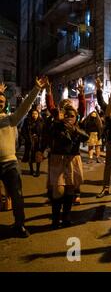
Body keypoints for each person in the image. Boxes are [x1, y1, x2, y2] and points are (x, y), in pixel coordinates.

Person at [0, 77, 48, 237]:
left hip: (10, 164)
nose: (0, 102)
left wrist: (36, 89)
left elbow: (25, 107)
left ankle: (19, 225)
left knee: (17, 196)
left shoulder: (10, 119)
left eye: (2, 101)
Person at [41, 105, 89, 228]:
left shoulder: (78, 128)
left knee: (70, 189)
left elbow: (86, 137)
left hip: (73, 160)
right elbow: (47, 133)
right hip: (58, 159)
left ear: (76, 118)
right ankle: (56, 219)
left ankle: (66, 217)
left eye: (72, 116)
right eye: (66, 115)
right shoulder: (56, 126)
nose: (68, 118)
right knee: (58, 190)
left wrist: (74, 130)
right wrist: (57, 119)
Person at [21, 107, 45, 177]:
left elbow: (43, 131)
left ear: (38, 114)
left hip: (38, 142)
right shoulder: (27, 121)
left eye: (36, 113)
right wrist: (27, 138)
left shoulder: (41, 121)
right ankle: (31, 170)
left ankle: (37, 170)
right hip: (29, 141)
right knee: (30, 156)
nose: (34, 115)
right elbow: (23, 131)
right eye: (33, 113)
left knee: (38, 156)